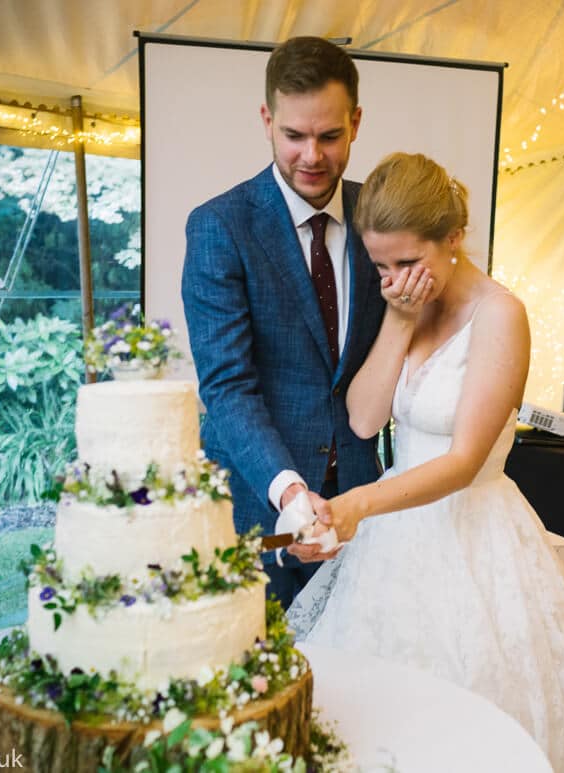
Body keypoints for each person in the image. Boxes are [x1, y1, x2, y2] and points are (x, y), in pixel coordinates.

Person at [288, 153, 564, 772]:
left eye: (408, 262)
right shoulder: (404, 303)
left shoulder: (500, 315)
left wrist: (357, 505)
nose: (394, 277)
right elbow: (362, 418)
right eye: (380, 264)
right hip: (395, 538)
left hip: (473, 534)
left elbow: (464, 461)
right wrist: (400, 321)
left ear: (454, 238)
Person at [182, 37, 387, 608]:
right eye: (294, 136)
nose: (311, 156)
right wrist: (292, 493)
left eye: (329, 136)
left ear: (356, 122)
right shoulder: (220, 227)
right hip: (256, 509)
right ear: (267, 120)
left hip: (359, 506)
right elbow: (227, 386)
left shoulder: (380, 219)